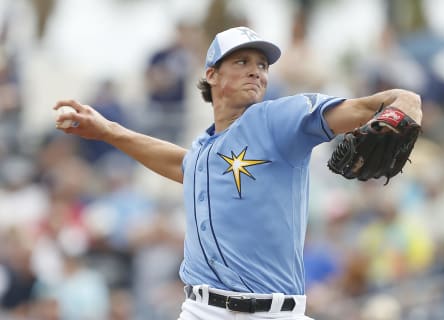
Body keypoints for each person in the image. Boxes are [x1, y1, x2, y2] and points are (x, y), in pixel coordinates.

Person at [53, 26, 422, 320]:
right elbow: (183, 165)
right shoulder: (204, 150)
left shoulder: (278, 119)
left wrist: (406, 101)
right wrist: (108, 130)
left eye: (262, 64)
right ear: (211, 74)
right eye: (242, 61)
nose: (256, 71)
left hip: (274, 312)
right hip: (201, 310)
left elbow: (362, 107)